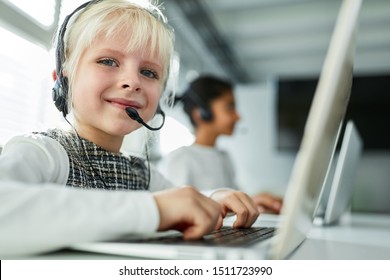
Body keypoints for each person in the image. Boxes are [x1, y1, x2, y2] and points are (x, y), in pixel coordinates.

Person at [0, 0, 259, 258]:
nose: (133, 82)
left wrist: (215, 196)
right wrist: (153, 210)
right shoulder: (43, 152)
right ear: (62, 78)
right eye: (108, 61)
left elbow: (178, 199)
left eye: (148, 72)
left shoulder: (140, 174)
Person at [161, 75, 283, 214]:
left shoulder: (224, 157)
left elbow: (231, 202)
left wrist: (255, 202)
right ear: (202, 113)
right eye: (230, 107)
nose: (238, 116)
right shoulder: (181, 158)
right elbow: (178, 207)